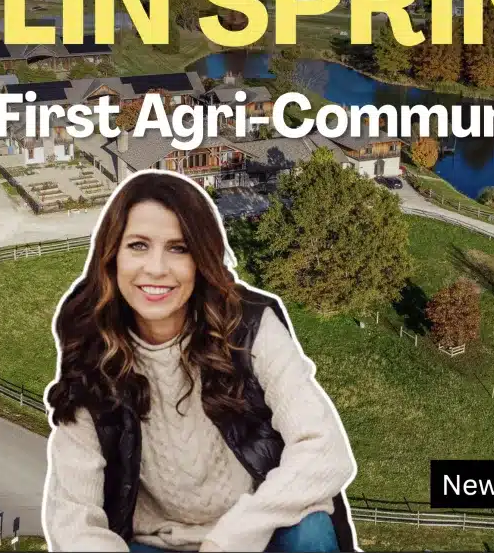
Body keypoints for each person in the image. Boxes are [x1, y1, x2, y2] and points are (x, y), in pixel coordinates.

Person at [42, 170, 359, 553]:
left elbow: (324, 451)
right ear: (112, 256)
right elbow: (73, 517)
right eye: (138, 245)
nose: (156, 268)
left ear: (201, 259)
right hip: (154, 544)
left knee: (309, 531)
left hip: (252, 537)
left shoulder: (250, 327)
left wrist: (227, 542)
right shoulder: (91, 352)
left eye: (179, 248)